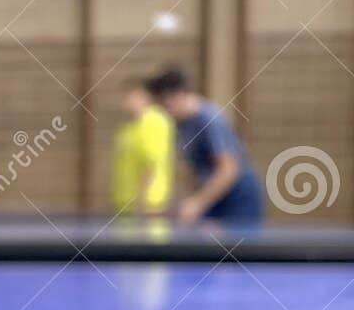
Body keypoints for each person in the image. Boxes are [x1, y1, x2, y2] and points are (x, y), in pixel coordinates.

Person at [144, 66, 264, 227]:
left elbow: (229, 169)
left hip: (238, 196)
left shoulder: (209, 120)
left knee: (235, 250)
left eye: (165, 105)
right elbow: (193, 170)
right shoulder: (180, 124)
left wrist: (198, 203)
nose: (164, 111)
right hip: (214, 195)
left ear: (177, 96)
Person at [110, 79, 174, 216]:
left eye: (127, 96)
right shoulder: (129, 127)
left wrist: (142, 202)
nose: (122, 102)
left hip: (146, 207)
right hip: (126, 206)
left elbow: (150, 163)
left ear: (141, 95)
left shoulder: (153, 122)